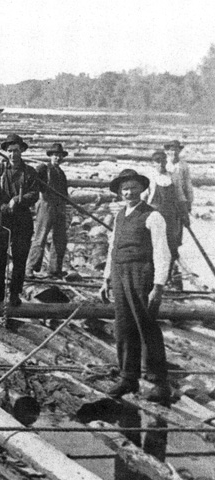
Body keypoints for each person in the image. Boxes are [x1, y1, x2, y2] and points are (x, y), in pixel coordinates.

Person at [100, 169, 171, 403]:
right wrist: (106, 278)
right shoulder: (120, 215)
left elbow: (163, 253)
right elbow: (113, 247)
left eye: (133, 188)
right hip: (119, 273)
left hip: (142, 274)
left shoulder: (153, 216)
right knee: (123, 325)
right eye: (124, 189)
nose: (128, 192)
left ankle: (160, 382)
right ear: (120, 192)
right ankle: (128, 377)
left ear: (142, 190)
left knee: (146, 327)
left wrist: (158, 286)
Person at [0, 134, 40, 307]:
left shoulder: (29, 171)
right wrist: (0, 204)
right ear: (6, 152)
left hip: (22, 218)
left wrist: (17, 200)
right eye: (10, 151)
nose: (13, 154)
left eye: (16, 151)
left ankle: (15, 293)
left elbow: (34, 193)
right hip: (3, 218)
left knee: (20, 257)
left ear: (22, 150)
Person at [26, 143, 69, 278]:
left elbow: (65, 193)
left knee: (60, 239)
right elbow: (32, 181)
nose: (58, 158)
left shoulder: (61, 173)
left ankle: (55, 270)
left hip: (59, 206)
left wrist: (66, 205)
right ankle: (30, 268)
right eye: (55, 155)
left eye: (60, 156)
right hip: (46, 205)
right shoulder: (43, 169)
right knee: (40, 237)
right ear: (50, 156)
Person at [144, 150, 184, 286]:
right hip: (155, 214)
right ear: (153, 164)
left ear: (166, 162)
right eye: (158, 162)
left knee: (171, 244)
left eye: (163, 162)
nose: (161, 165)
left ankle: (168, 275)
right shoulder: (150, 177)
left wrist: (184, 213)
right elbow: (145, 197)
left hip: (171, 215)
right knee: (153, 244)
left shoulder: (173, 177)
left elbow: (180, 196)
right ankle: (152, 276)